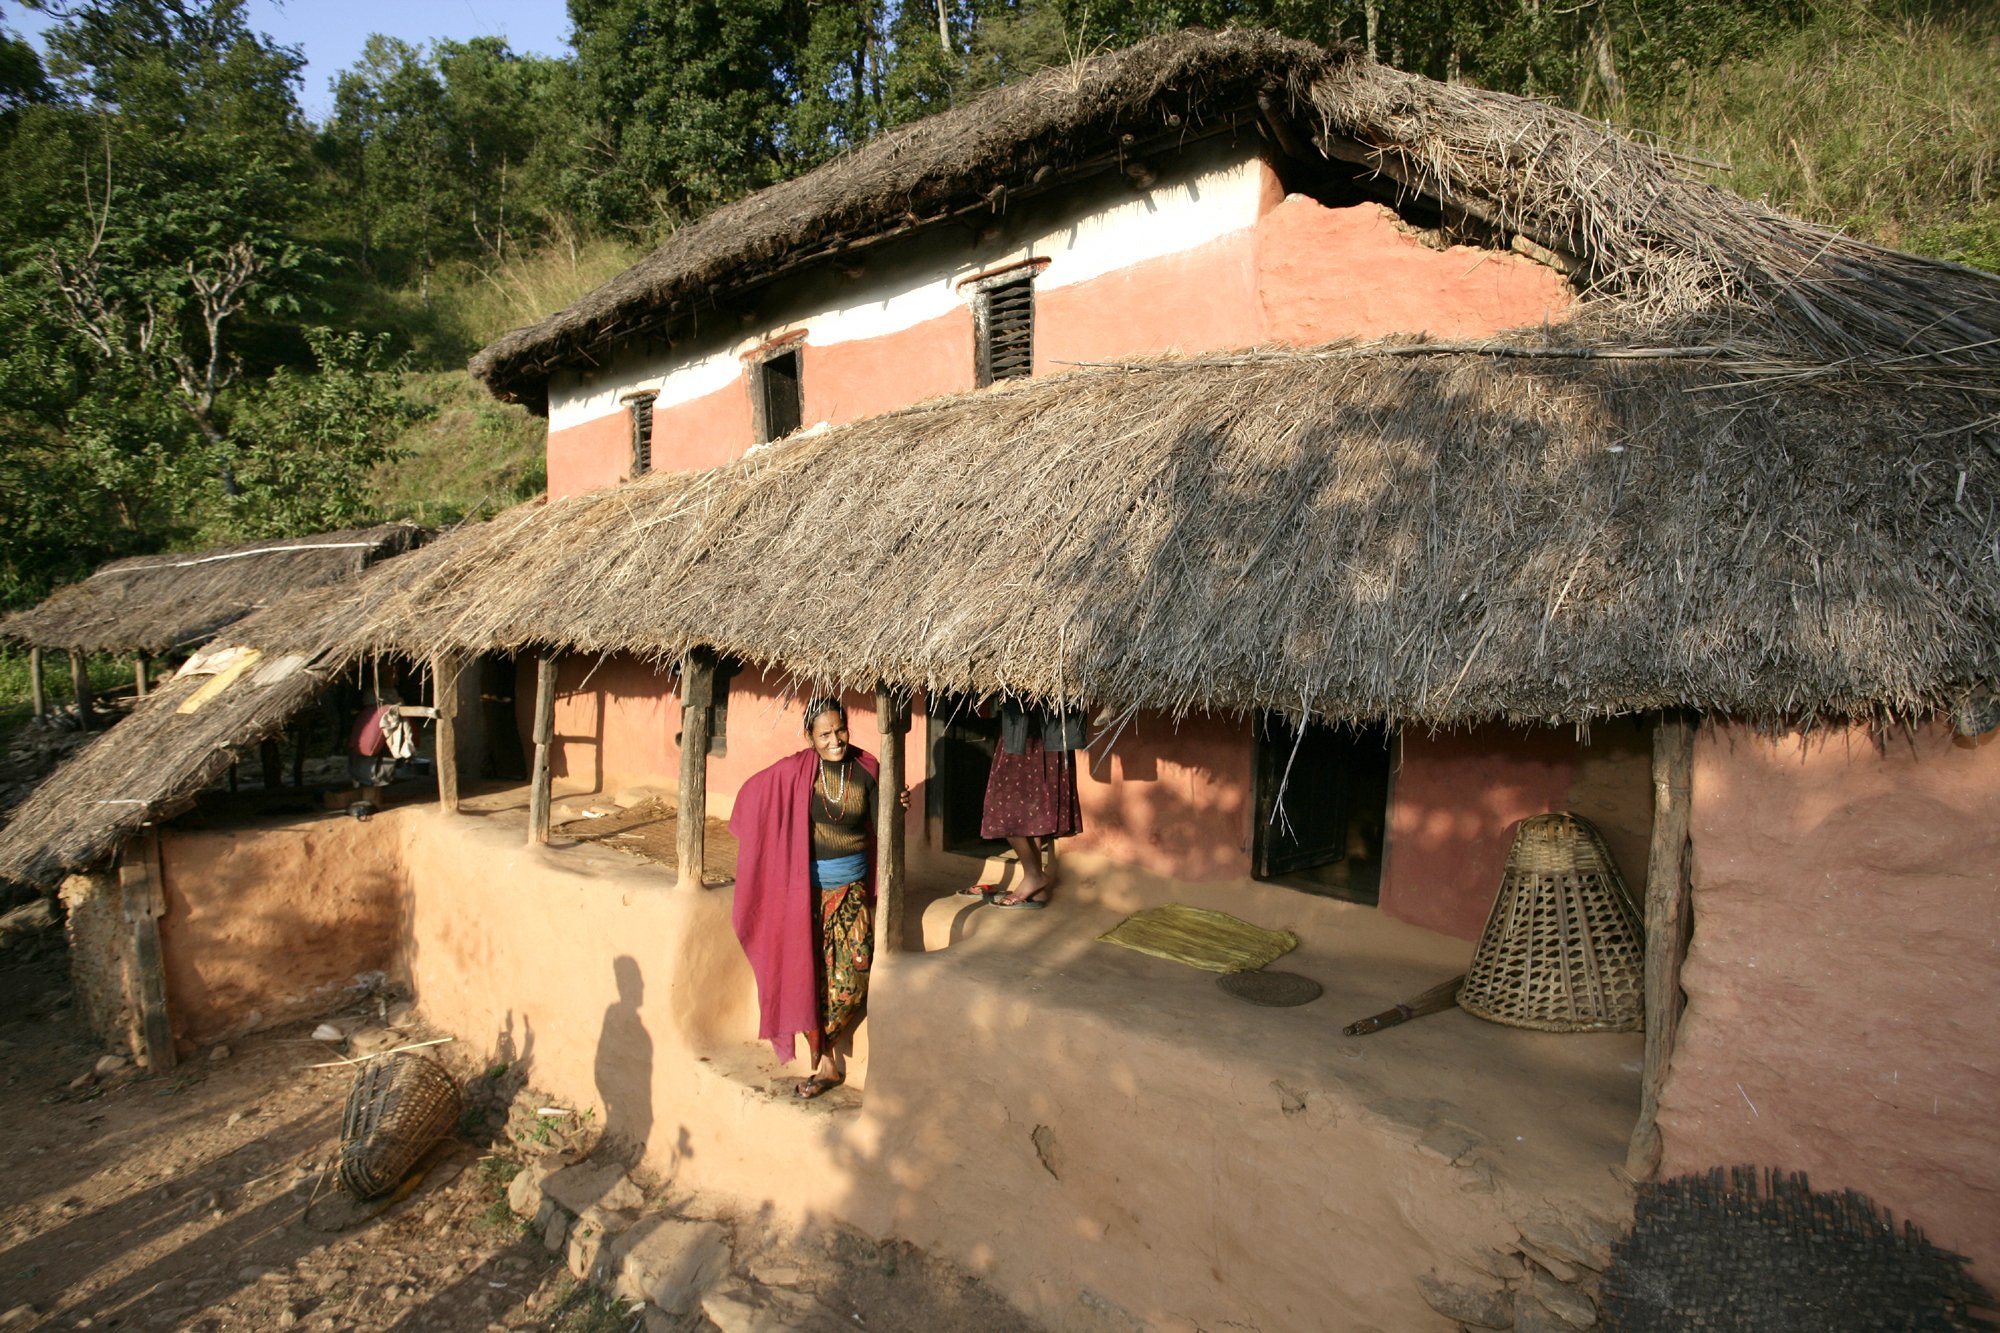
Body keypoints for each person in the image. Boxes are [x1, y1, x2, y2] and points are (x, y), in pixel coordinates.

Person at [728, 698, 902, 1099]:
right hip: (805, 895)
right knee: (808, 976)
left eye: (840, 730)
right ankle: (825, 1062)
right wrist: (761, 841)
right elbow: (752, 795)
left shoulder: (868, 770)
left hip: (852, 891)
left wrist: (897, 806)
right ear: (810, 736)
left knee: (854, 974)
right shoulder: (795, 772)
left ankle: (827, 1049)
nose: (835, 740)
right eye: (824, 734)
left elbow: (882, 827)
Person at [972, 699, 1085, 909]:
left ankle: (1034, 876)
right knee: (1032, 815)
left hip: (1032, 737)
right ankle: (1037, 889)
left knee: (1005, 812)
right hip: (1043, 736)